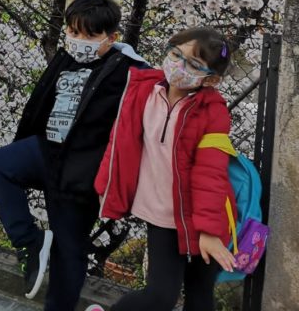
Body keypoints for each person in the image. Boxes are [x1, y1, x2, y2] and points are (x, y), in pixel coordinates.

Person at [0, 0, 146, 311]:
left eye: (89, 35)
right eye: (73, 31)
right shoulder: (66, 58)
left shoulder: (127, 72)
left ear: (111, 38)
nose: (78, 40)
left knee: (68, 251)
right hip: (47, 151)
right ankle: (29, 242)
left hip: (81, 171)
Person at [91, 28, 237, 311]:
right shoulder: (143, 91)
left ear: (211, 79)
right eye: (175, 54)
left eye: (193, 64)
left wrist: (209, 231)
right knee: (160, 297)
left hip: (205, 216)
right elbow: (120, 143)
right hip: (162, 217)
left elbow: (211, 172)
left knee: (200, 297)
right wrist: (106, 185)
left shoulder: (213, 112)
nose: (178, 65)